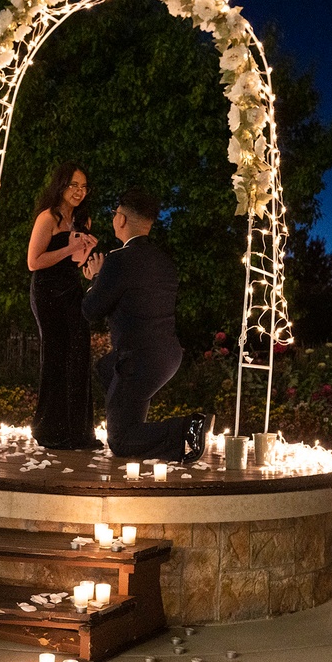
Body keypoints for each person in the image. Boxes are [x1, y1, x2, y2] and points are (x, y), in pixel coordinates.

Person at [81, 187, 213, 462]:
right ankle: (130, 416)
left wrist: (95, 277)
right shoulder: (164, 261)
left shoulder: (118, 260)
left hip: (139, 360)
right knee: (106, 369)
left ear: (121, 220)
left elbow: (90, 310)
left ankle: (187, 427)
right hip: (167, 356)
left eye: (115, 213)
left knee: (120, 440)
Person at [27, 162, 100, 450]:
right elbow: (34, 262)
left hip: (71, 289)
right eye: (74, 185)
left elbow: (76, 264)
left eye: (83, 187)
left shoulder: (84, 220)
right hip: (46, 293)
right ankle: (51, 432)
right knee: (56, 355)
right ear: (61, 186)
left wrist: (86, 251)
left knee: (80, 352)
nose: (79, 192)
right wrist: (70, 247)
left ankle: (79, 432)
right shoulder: (48, 218)